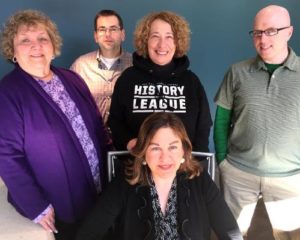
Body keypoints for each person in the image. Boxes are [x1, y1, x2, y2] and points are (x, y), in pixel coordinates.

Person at [0, 10, 109, 240]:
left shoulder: (71, 78)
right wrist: (35, 205)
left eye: (42, 38)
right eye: (25, 40)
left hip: (97, 190)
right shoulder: (8, 93)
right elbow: (6, 155)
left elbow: (97, 126)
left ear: (52, 45)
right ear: (13, 51)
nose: (36, 46)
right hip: (58, 204)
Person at [76, 112, 242, 240]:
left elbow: (230, 232)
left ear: (183, 150)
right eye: (155, 148)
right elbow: (88, 234)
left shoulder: (199, 179)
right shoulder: (125, 182)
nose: (165, 158)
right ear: (143, 152)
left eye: (172, 147)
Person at [214, 5, 300, 239]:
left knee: (288, 236)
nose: (263, 39)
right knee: (231, 234)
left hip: (290, 177)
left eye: (271, 31)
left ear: (289, 32)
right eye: (257, 33)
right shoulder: (237, 72)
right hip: (239, 173)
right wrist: (223, 163)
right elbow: (221, 121)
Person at [108, 11, 212, 152]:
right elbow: (115, 121)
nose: (162, 44)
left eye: (169, 37)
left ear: (178, 41)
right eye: (155, 36)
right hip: (136, 166)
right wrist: (130, 143)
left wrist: (195, 163)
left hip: (182, 168)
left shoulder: (191, 81)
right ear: (145, 40)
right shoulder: (128, 79)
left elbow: (203, 126)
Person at [70, 9, 132, 126]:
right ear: (96, 36)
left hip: (125, 140)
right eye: (102, 29)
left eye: (113, 29)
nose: (107, 34)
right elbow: (69, 104)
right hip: (92, 138)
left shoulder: (135, 65)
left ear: (122, 34)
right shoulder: (80, 66)